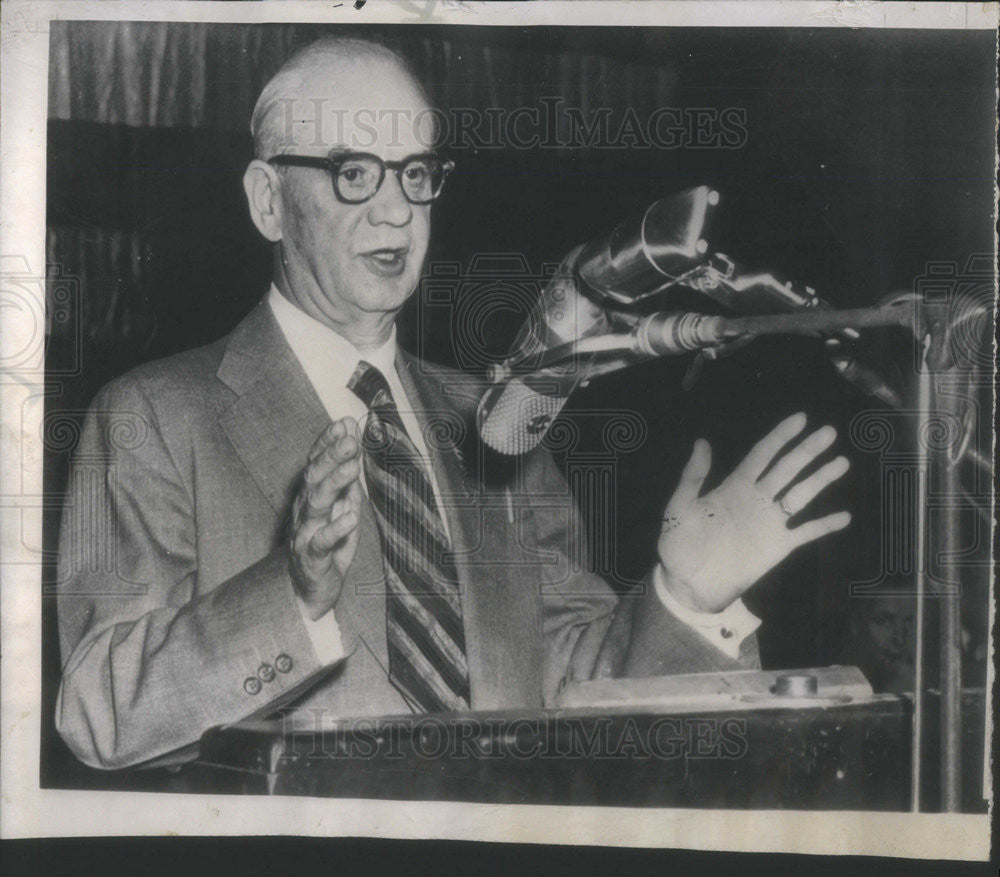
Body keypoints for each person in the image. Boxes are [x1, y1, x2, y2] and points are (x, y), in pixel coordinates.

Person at [55, 37, 851, 770]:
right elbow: (97, 712)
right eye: (354, 172)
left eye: (416, 173)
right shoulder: (154, 417)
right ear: (268, 200)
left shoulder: (497, 417)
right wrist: (289, 598)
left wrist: (685, 598)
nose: (397, 209)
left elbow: (576, 680)